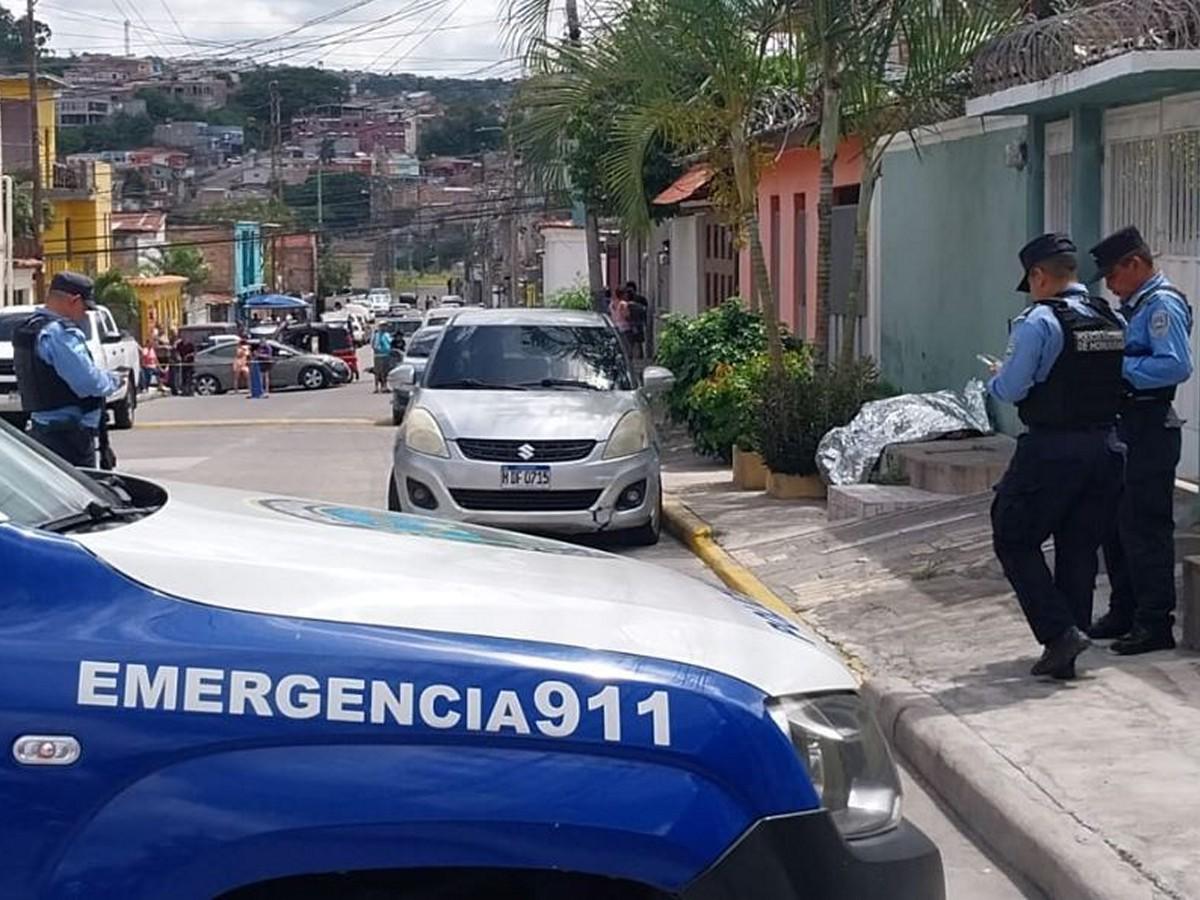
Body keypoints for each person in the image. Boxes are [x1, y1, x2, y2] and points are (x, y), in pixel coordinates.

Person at [987, 234, 1127, 680]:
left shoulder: (1039, 322)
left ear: (1039, 276)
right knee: (1079, 547)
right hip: (1106, 447)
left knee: (1013, 536)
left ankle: (1058, 632)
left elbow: (1012, 389)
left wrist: (997, 377)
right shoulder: (1108, 316)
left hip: (1053, 449)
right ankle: (1070, 639)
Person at [1089, 226, 1194, 655]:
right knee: (1116, 525)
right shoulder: (1134, 307)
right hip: (1127, 425)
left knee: (1145, 528)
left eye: (1113, 275)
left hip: (1149, 425)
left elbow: (1174, 366)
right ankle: (1124, 610)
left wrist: (1118, 371)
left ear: (1135, 264)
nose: (1110, 285)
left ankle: (1154, 623)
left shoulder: (1160, 305)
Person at [12, 271, 119, 468]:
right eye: (85, 307)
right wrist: (113, 381)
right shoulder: (59, 334)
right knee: (82, 494)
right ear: (73, 300)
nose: (85, 313)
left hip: (42, 431)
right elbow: (87, 383)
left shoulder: (28, 328)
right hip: (69, 437)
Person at [624, 281, 649, 360]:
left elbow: (645, 310)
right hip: (634, 324)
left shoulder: (640, 299)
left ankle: (637, 357)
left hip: (635, 324)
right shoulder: (626, 301)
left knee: (636, 342)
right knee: (634, 343)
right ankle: (635, 357)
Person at [372, 325, 393, 393]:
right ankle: (376, 387)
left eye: (385, 327)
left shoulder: (387, 335)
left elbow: (390, 343)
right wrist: (378, 350)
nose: (384, 328)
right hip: (378, 356)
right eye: (382, 326)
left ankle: (384, 386)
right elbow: (374, 345)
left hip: (386, 355)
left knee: (385, 372)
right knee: (378, 372)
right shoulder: (376, 335)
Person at [174, 331, 196, 396]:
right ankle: (184, 391)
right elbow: (176, 352)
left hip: (190, 363)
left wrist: (188, 355)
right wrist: (178, 356)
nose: (184, 339)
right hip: (183, 363)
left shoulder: (190, 344)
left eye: (185, 337)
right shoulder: (179, 345)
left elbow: (194, 353)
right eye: (182, 337)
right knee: (183, 377)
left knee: (189, 377)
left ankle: (190, 391)